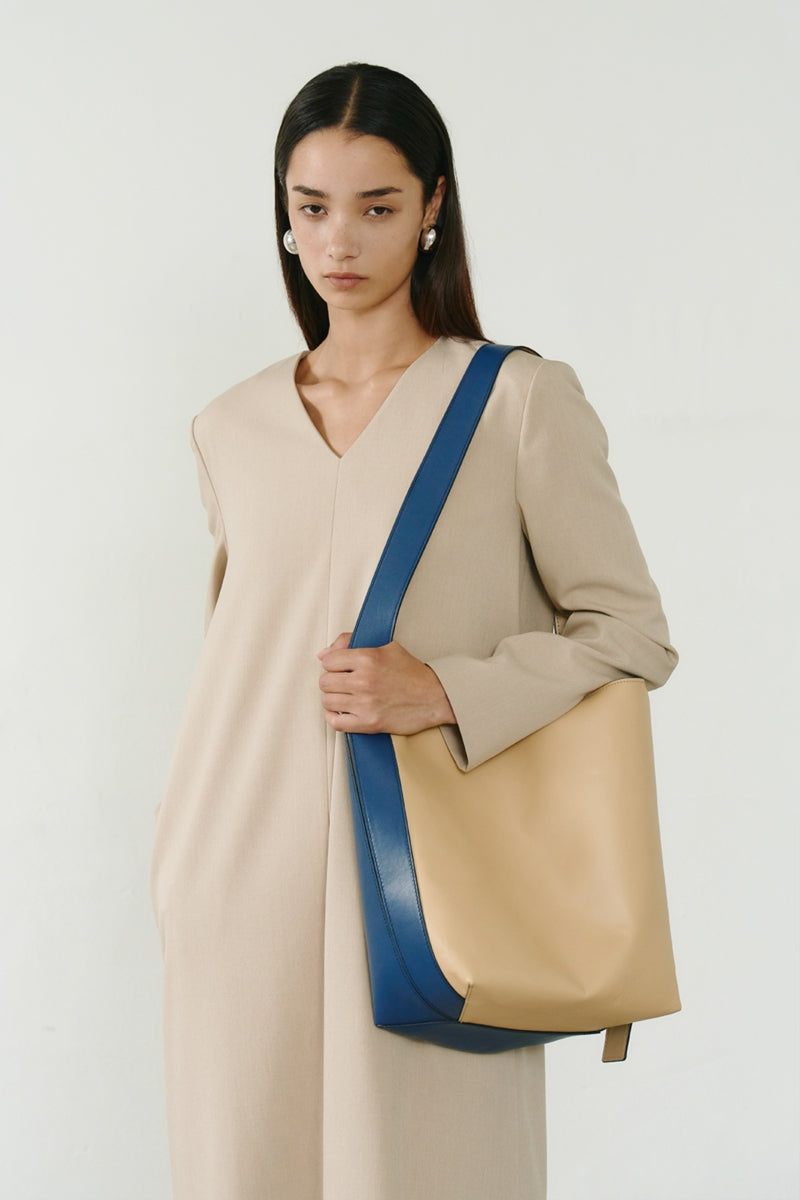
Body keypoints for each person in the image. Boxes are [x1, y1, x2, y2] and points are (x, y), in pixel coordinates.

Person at [150, 62, 677, 1200]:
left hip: (431, 882)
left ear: (433, 205)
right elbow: (237, 658)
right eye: (311, 207)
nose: (338, 241)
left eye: (377, 207)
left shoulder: (515, 400)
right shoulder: (228, 426)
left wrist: (444, 689)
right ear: (284, 215)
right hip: (236, 873)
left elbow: (631, 632)